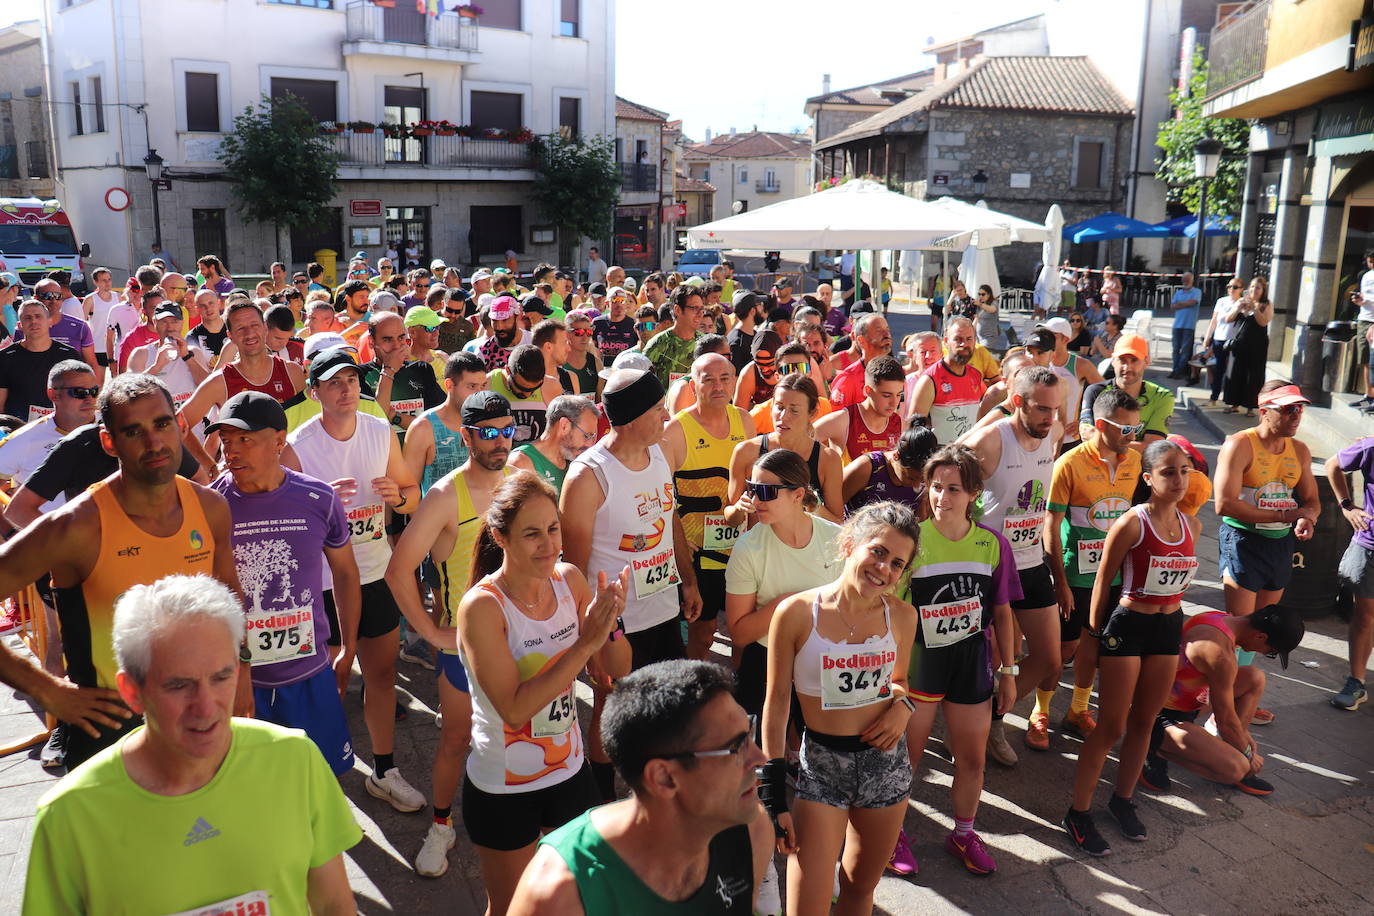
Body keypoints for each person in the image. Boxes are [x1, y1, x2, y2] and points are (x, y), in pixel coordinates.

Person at [22, 574, 360, 915]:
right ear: (132, 692)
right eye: (179, 685)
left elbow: (333, 903)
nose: (206, 706)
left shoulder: (294, 759)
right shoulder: (70, 815)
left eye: (221, 677)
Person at [0, 374, 243, 769]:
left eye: (162, 424)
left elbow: (231, 599)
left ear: (179, 426)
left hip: (199, 720)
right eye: (134, 431)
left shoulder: (210, 508)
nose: (154, 443)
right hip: (110, 734)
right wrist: (48, 691)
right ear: (109, 442)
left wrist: (241, 680)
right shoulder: (75, 527)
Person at [454, 473, 630, 910]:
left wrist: (611, 624)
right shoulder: (482, 607)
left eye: (553, 529)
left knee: (578, 899)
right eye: (532, 534)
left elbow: (610, 673)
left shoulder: (569, 581)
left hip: (569, 771)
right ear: (501, 537)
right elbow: (514, 709)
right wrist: (586, 640)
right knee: (514, 907)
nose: (549, 544)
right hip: (504, 785)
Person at [509, 660, 772, 916]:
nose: (760, 759)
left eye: (750, 734)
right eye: (737, 747)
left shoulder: (752, 832)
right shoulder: (560, 892)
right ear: (664, 778)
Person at [761, 501, 919, 916]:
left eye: (897, 563)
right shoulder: (795, 614)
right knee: (807, 904)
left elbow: (899, 681)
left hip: (885, 768)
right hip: (822, 766)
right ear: (850, 543)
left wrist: (904, 706)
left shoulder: (902, 616)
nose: (884, 569)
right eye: (878, 552)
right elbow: (776, 704)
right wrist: (773, 792)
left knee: (859, 889)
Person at [385, 390, 517, 876]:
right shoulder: (445, 495)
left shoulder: (519, 482)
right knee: (457, 739)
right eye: (489, 433)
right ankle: (441, 827)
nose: (501, 441)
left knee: (520, 730)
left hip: (519, 638)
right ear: (466, 438)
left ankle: (520, 818)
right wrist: (435, 635)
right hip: (463, 648)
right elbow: (398, 572)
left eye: (508, 430)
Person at [288, 347, 424, 813]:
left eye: (351, 379)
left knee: (382, 673)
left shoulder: (379, 430)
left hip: (374, 571)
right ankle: (319, 773)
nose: (346, 388)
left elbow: (410, 492)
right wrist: (324, 504)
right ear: (314, 392)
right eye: (333, 382)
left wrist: (398, 498)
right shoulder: (298, 445)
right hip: (324, 582)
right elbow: (289, 522)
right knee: (328, 681)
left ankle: (384, 770)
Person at [561, 368, 702, 801]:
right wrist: (588, 637)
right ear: (629, 417)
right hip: (617, 625)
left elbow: (669, 519)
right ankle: (600, 798)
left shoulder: (658, 452)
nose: (666, 415)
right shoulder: (588, 476)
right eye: (658, 408)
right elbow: (573, 569)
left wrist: (689, 581)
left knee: (666, 709)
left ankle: (657, 794)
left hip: (663, 611)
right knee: (612, 709)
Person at [210, 392, 361, 775]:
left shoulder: (319, 498)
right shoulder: (211, 506)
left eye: (245, 439)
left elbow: (345, 573)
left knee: (322, 782)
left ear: (280, 441)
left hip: (310, 674)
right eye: (226, 440)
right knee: (254, 790)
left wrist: (348, 647)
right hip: (243, 681)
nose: (233, 451)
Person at [1065, 439, 1200, 856]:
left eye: (1184, 470)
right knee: (1112, 726)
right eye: (1169, 472)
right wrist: (1092, 632)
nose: (1179, 479)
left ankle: (1122, 801)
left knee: (1146, 721)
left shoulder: (1193, 525)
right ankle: (1079, 813)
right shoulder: (1131, 523)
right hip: (1128, 624)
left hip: (1167, 626)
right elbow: (1103, 578)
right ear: (1148, 478)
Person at [893, 444, 1020, 876]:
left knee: (973, 758)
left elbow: (1002, 612)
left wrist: (1009, 672)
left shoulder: (992, 544)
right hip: (921, 664)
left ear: (974, 494)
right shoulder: (910, 541)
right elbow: (889, 609)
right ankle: (891, 832)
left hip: (971, 663)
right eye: (935, 486)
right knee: (906, 758)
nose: (941, 497)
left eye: (953, 489)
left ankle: (963, 833)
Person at [962, 366, 1063, 763]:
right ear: (1017, 402)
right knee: (984, 657)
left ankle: (991, 717)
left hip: (1031, 559)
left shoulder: (1052, 433)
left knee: (1049, 658)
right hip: (988, 565)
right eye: (1041, 408)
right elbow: (942, 477)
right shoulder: (990, 440)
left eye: (1054, 409)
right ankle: (969, 728)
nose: (1050, 418)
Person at [1215, 379, 1316, 725]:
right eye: (1288, 409)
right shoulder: (1239, 445)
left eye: (1299, 408)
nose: (1296, 415)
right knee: (1241, 629)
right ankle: (1223, 699)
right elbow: (1224, 504)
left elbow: (1313, 501)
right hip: (1244, 542)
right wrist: (1287, 515)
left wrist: (1309, 520)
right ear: (1264, 411)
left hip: (1280, 544)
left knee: (1265, 629)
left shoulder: (1299, 451)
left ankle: (1239, 691)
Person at [1046, 388, 1143, 741]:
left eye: (1137, 428)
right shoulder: (1068, 464)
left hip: (1117, 575)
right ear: (1102, 425)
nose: (1133, 436)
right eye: (1127, 429)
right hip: (1075, 575)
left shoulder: (1134, 460)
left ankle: (1077, 710)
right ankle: (1040, 712)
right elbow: (1050, 527)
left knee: (1093, 647)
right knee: (1060, 651)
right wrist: (1060, 581)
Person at [725, 448, 842, 722]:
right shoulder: (748, 548)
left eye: (765, 491)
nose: (754, 500)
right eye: (752, 489)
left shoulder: (835, 540)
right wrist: (788, 606)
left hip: (824, 658)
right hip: (766, 658)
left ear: (798, 495)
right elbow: (739, 634)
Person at [1140, 604, 1304, 798]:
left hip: (1184, 703)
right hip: (1155, 714)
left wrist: (1241, 737)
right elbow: (1225, 720)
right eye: (1270, 652)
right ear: (1261, 637)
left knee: (1254, 678)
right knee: (1236, 768)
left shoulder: (1220, 618)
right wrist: (1247, 754)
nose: (1264, 654)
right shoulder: (1221, 653)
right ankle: (1154, 748)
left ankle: (1221, 746)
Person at [661, 354, 756, 661]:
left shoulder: (744, 420)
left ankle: (740, 697)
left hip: (740, 548)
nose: (718, 386)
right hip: (698, 553)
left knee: (744, 632)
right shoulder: (676, 430)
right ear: (693, 384)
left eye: (725, 378)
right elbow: (662, 497)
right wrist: (675, 544)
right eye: (709, 379)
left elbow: (754, 484)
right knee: (702, 635)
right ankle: (695, 697)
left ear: (734, 382)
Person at [728, 374, 844, 522]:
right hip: (761, 544)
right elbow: (730, 520)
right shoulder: (745, 451)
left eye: (794, 410)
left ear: (812, 413)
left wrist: (811, 503)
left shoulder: (827, 458)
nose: (783, 416)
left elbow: (838, 524)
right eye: (779, 407)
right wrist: (738, 508)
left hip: (807, 544)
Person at [0, 360, 98, 513]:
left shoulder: (113, 427)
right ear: (54, 395)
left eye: (94, 391)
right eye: (79, 392)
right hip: (50, 536)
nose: (90, 399)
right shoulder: (23, 439)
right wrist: (9, 531)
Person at [1328, 432, 1374, 709]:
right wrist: (1347, 506)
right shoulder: (1370, 447)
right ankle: (1356, 682)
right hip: (1369, 544)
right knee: (1365, 616)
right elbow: (1333, 465)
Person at [1079, 334, 1174, 452]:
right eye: (1122, 360)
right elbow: (1086, 434)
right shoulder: (1095, 391)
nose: (1127, 367)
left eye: (1134, 361)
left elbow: (1151, 449)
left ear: (1147, 361)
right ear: (1113, 361)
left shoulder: (1162, 397)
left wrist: (1103, 440)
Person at [0, 299, 81, 422]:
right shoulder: (5, 357)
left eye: (38, 316)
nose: (34, 321)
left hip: (58, 430)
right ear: (19, 326)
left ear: (50, 322)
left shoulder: (69, 355)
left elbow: (80, 396)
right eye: (27, 318)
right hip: (19, 431)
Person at [909, 317, 985, 444]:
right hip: (940, 458)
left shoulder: (975, 375)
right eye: (958, 339)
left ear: (975, 341)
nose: (964, 344)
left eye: (969, 339)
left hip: (968, 455)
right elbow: (913, 430)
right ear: (946, 341)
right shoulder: (930, 379)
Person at [816, 355, 904, 463]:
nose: (894, 402)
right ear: (868, 390)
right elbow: (795, 442)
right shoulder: (843, 421)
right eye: (887, 395)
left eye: (899, 395)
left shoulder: (901, 425)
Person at [125, 303, 211, 408]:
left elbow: (209, 389)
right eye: (164, 322)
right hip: (158, 420)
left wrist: (187, 358)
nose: (170, 327)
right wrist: (156, 367)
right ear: (155, 322)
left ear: (182, 323)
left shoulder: (194, 352)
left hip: (191, 421)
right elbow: (129, 394)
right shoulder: (141, 354)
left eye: (174, 321)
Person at [510, 394, 599, 494]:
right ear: (564, 425)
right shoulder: (521, 463)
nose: (590, 445)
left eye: (593, 438)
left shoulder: (576, 463)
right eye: (587, 436)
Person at [841, 423, 937, 515]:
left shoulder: (931, 479)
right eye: (910, 478)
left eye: (922, 480)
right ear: (896, 456)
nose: (916, 486)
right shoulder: (866, 468)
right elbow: (832, 507)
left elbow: (919, 521)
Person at [1041, 316, 1104, 455]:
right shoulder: (1038, 359)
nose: (1046, 339)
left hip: (1069, 439)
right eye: (1044, 334)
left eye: (1052, 336)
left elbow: (1106, 395)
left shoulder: (1081, 365)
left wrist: (1085, 420)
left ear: (1066, 340)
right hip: (1040, 438)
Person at [1221, 277, 1274, 416]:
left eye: (1257, 288)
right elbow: (1228, 319)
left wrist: (1255, 308)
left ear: (1263, 291)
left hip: (1257, 345)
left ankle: (1251, 406)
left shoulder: (1265, 304)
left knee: (1253, 375)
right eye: (1251, 287)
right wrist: (1239, 308)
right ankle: (1234, 403)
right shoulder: (1241, 301)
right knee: (1235, 372)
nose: (1254, 290)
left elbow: (1263, 322)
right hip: (1240, 344)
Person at [643, 285, 703, 388]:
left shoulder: (704, 343)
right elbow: (642, 381)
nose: (700, 314)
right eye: (694, 308)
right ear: (678, 310)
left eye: (701, 309)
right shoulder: (658, 344)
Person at [827, 314, 892, 409]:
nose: (887, 335)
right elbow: (836, 419)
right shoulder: (847, 380)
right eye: (879, 331)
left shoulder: (893, 373)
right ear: (861, 340)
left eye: (887, 330)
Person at [1202, 277, 1244, 406]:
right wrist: (1208, 338)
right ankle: (1213, 398)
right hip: (1219, 339)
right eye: (1230, 287)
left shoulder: (1242, 303)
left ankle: (1232, 400)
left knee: (1232, 371)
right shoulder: (1221, 301)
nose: (1232, 290)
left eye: (1235, 287)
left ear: (1241, 289)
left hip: (1233, 341)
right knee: (1218, 369)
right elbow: (1214, 320)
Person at [1167, 272, 1203, 379]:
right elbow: (1172, 306)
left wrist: (1180, 304)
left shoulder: (1197, 291)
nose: (1185, 281)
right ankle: (1175, 369)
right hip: (1177, 325)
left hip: (1189, 325)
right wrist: (1185, 303)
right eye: (1184, 279)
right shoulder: (1178, 292)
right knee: (1175, 349)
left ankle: (1179, 371)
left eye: (1187, 279)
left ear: (1192, 280)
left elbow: (1192, 302)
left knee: (1185, 351)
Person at [591, 287, 638, 366]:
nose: (619, 304)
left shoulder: (633, 324)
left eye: (622, 300)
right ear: (607, 303)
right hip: (603, 370)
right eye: (614, 300)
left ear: (626, 304)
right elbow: (591, 348)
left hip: (625, 370)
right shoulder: (598, 323)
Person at [562, 311, 603, 401]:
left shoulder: (596, 363)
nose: (585, 337)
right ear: (566, 334)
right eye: (579, 332)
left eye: (588, 332)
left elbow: (599, 401)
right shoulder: (558, 362)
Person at [1351, 249, 1374, 408]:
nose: (1371, 264)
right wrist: (1359, 299)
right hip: (1364, 318)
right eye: (1370, 261)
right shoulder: (1366, 276)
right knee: (1365, 359)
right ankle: (1369, 394)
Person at [727, 292, 766, 373]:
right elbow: (735, 378)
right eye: (759, 305)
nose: (762, 308)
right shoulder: (736, 343)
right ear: (752, 311)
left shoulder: (756, 335)